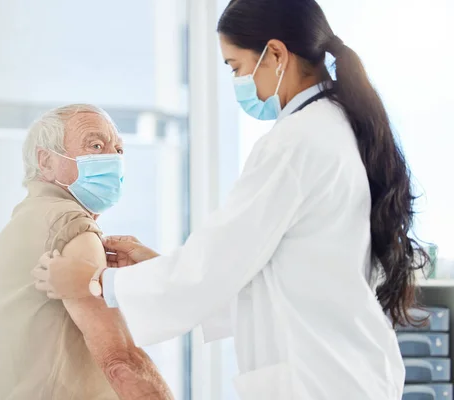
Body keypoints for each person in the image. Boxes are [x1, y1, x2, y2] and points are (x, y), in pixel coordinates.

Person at [32, 1, 428, 399]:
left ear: (275, 54)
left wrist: (97, 282)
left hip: (321, 380)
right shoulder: (335, 129)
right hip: (342, 372)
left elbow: (213, 268)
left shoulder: (296, 142)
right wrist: (156, 267)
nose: (239, 81)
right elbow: (272, 278)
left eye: (237, 67)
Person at [0, 104, 173, 400]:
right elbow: (121, 362)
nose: (113, 159)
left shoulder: (25, 221)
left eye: (118, 150)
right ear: (46, 161)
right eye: (95, 145)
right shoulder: (68, 223)